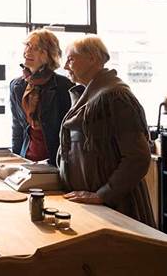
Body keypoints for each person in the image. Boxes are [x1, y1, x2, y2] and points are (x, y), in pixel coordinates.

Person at [58, 35, 155, 227]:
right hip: (92, 206)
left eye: (70, 59)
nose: (65, 66)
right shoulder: (88, 95)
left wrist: (102, 195)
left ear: (92, 58)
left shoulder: (115, 97)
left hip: (116, 208)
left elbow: (137, 157)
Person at [9, 29, 73, 165]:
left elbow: (70, 133)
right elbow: (17, 128)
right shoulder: (17, 86)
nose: (27, 51)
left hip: (56, 161)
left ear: (48, 54)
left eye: (35, 48)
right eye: (27, 45)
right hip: (26, 159)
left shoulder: (64, 86)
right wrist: (15, 162)